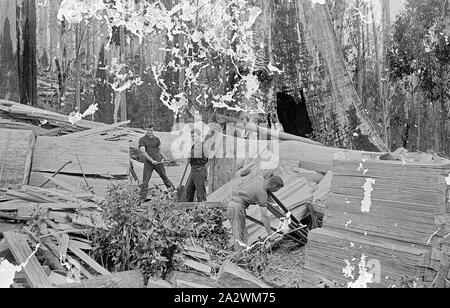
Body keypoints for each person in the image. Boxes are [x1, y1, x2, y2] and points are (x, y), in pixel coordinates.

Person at [227, 175, 284, 256]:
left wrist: (281, 213)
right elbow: (264, 217)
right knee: (238, 234)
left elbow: (270, 200)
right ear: (274, 186)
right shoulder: (262, 193)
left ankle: (243, 254)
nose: (276, 191)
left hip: (235, 205)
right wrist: (270, 235)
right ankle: (237, 257)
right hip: (236, 208)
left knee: (243, 233)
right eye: (276, 189)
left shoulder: (260, 179)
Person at [139, 124, 175, 200]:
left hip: (158, 162)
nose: (149, 132)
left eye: (151, 130)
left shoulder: (156, 139)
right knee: (145, 180)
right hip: (149, 163)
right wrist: (151, 160)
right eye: (148, 130)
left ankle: (173, 193)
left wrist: (165, 158)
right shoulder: (142, 140)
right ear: (146, 130)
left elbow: (160, 150)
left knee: (164, 177)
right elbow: (143, 151)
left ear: (153, 130)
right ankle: (142, 199)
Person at [185, 128, 209, 202]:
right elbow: (189, 159)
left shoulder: (201, 145)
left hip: (200, 170)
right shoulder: (194, 146)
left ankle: (203, 211)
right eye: (191, 136)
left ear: (199, 136)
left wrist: (188, 155)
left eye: (194, 136)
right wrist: (189, 156)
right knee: (189, 190)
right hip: (194, 170)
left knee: (200, 194)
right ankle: (188, 211)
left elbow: (191, 156)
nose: (192, 138)